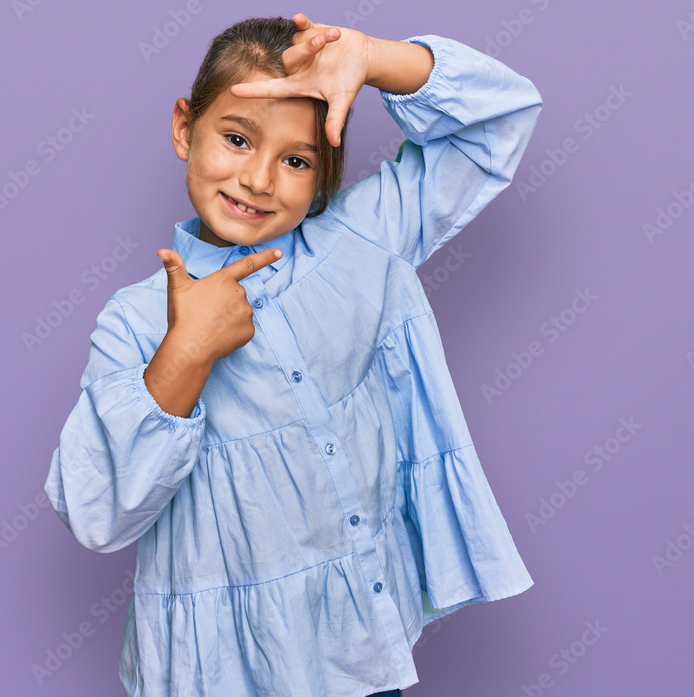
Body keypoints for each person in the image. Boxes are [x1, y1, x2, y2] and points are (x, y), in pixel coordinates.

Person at [44, 12, 543, 697]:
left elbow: (500, 121)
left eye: (296, 159)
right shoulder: (134, 320)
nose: (258, 178)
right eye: (237, 138)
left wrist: (373, 59)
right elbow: (96, 512)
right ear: (185, 128)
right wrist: (186, 352)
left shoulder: (362, 242)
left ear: (324, 174)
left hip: (359, 659)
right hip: (218, 676)